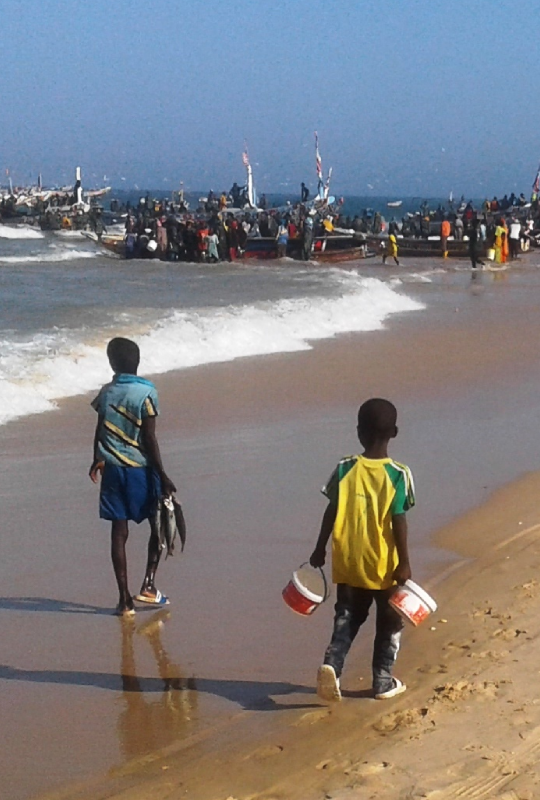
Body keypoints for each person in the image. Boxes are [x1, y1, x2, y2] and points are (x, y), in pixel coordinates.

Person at [310, 398, 415, 701]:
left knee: (347, 618)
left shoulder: (344, 468)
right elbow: (398, 519)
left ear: (359, 432)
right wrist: (404, 562)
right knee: (390, 621)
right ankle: (382, 681)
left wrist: (319, 548)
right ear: (394, 432)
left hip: (348, 561)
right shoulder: (398, 474)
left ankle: (332, 666)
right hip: (383, 566)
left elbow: (331, 510)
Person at [89, 338, 177, 617]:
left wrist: (96, 458)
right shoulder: (147, 392)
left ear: (111, 363)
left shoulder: (106, 392)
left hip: (113, 470)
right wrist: (162, 474)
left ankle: (124, 600)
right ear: (137, 362)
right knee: (158, 525)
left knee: (119, 532)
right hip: (141, 469)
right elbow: (149, 437)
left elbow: (99, 428)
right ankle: (148, 583)